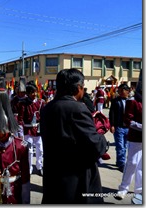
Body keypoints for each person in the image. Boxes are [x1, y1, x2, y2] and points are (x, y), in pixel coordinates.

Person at [40, 68, 108, 204]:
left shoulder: (47, 108)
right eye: (83, 87)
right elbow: (95, 145)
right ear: (78, 88)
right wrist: (102, 139)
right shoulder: (78, 108)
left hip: (53, 177)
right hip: (76, 181)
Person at [115, 70, 142, 203]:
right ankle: (123, 188)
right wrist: (141, 127)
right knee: (132, 163)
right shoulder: (133, 101)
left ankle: (139, 190)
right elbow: (127, 120)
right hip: (136, 138)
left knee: (142, 166)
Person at [17, 81, 45, 175]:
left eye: (35, 92)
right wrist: (20, 133)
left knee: (40, 149)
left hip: (37, 130)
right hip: (27, 130)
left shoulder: (40, 102)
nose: (34, 94)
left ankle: (39, 166)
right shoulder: (23, 104)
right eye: (32, 92)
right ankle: (28, 168)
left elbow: (43, 116)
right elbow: (20, 119)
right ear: (28, 93)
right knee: (28, 151)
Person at [109, 83, 130, 172]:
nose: (120, 92)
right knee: (120, 146)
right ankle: (122, 163)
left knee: (125, 146)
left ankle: (119, 161)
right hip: (118, 127)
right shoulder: (115, 101)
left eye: (122, 90)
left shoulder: (131, 101)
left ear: (127, 91)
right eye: (119, 90)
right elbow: (112, 113)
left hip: (128, 128)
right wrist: (112, 125)